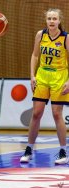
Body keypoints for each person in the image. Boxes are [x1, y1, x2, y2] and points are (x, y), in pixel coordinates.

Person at [20, 8, 69, 164]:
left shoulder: (66, 38)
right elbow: (35, 55)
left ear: (59, 21)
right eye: (49, 18)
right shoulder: (40, 35)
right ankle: (29, 149)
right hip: (42, 76)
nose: (52, 21)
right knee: (36, 113)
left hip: (59, 77)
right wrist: (32, 76)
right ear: (46, 20)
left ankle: (63, 151)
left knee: (56, 113)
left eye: (54, 18)